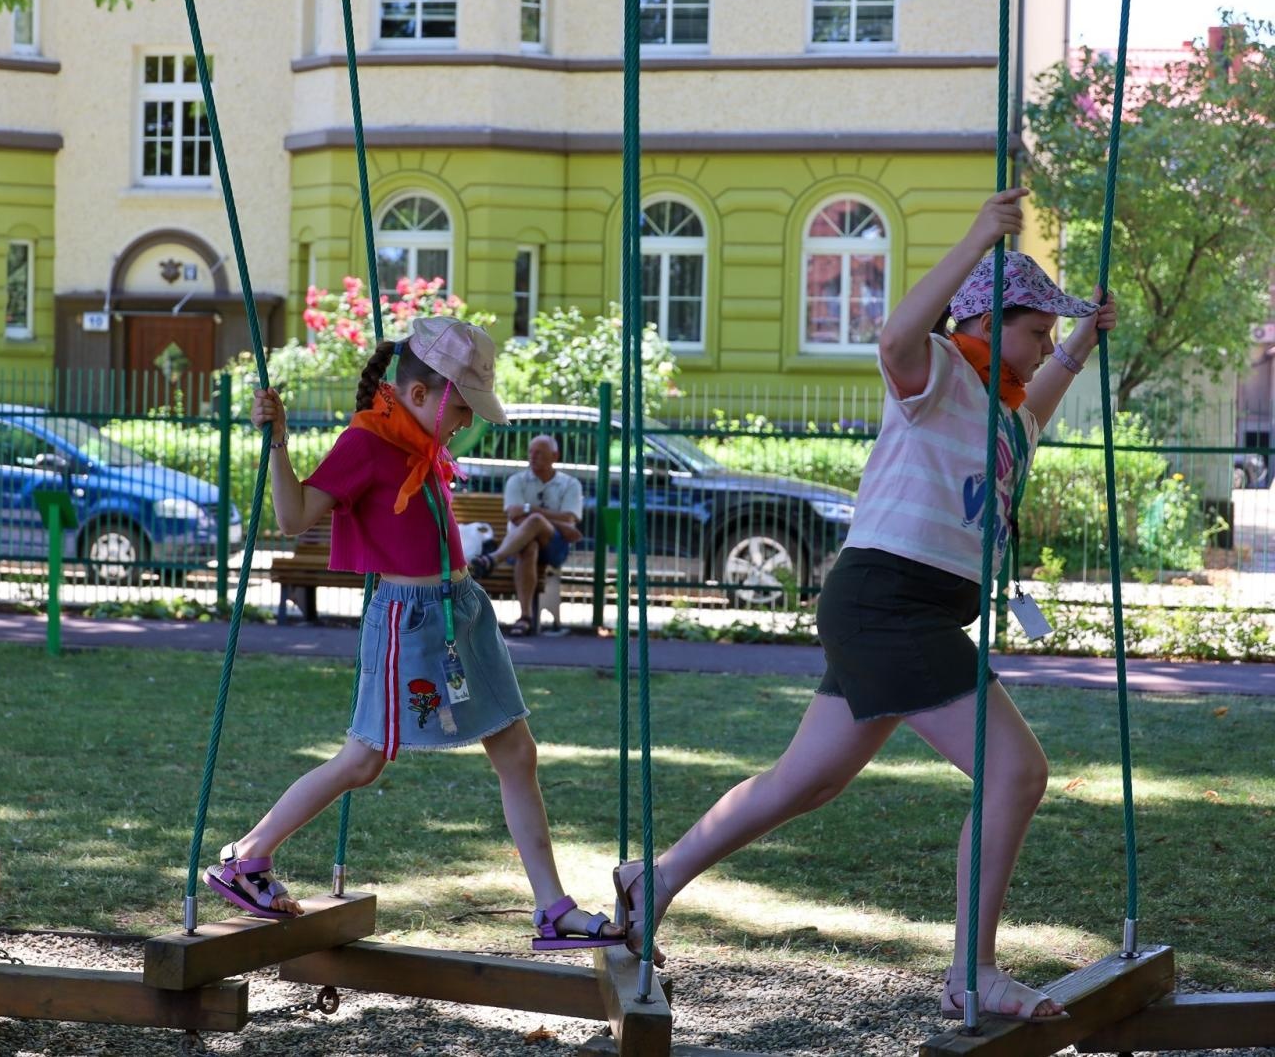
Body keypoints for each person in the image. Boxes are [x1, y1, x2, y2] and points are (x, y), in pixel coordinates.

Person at [610, 189, 1117, 1023]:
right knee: (1016, 771)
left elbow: (1048, 385)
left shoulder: (1006, 415)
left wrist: (1083, 339)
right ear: (986, 322)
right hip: (891, 602)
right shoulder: (937, 374)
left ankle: (652, 880)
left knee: (803, 783)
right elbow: (894, 337)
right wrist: (976, 238)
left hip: (897, 609)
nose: (1043, 349)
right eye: (1036, 331)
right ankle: (972, 972)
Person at [211, 316, 623, 952]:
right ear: (421, 393)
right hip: (410, 620)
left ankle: (552, 909)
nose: (468, 420)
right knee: (363, 760)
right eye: (462, 407)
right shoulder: (367, 443)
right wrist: (279, 442)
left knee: (518, 753)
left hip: (463, 610)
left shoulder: (420, 442)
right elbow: (293, 518)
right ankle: (246, 856)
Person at [469, 434, 583, 636]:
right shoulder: (516, 481)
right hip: (518, 547)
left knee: (535, 521)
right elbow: (515, 517)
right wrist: (555, 522)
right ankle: (525, 617)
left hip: (555, 547)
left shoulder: (570, 484)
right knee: (529, 546)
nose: (532, 456)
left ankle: (493, 559)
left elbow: (569, 518)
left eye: (539, 452)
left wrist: (530, 511)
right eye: (531, 452)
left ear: (554, 456)